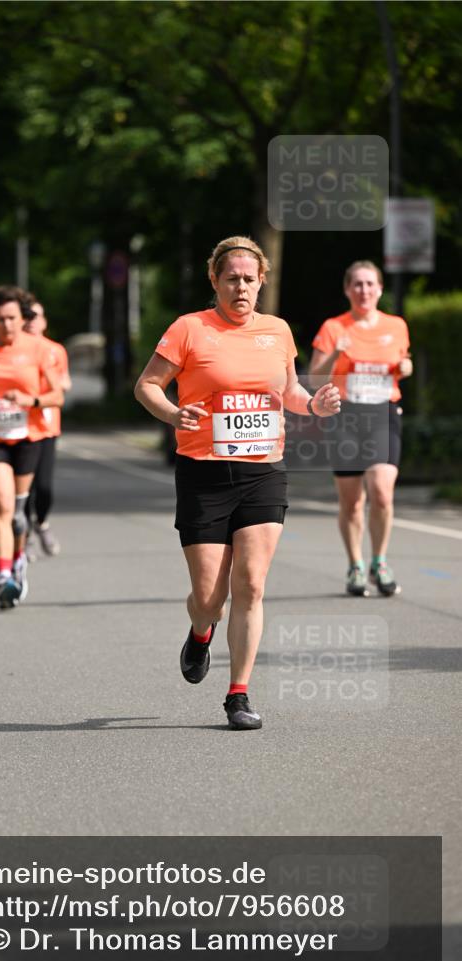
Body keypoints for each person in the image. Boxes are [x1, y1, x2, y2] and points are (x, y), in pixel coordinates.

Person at [134, 237, 340, 730]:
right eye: (231, 278)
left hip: (263, 472)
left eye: (249, 279)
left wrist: (313, 404)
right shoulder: (190, 329)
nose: (241, 287)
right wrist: (172, 412)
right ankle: (201, 631)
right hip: (204, 472)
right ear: (215, 281)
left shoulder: (277, 331)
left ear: (261, 281)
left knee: (251, 584)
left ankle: (238, 695)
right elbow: (147, 385)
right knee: (210, 596)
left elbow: (289, 389)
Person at [309, 261, 412, 597]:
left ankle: (379, 561)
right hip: (346, 416)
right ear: (347, 289)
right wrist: (335, 353)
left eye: (370, 284)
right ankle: (355, 564)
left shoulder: (396, 325)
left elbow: (403, 360)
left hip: (383, 413)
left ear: (380, 289)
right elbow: (314, 378)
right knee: (352, 502)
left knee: (382, 490)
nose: (364, 290)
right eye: (357, 284)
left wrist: (405, 366)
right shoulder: (333, 327)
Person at [0, 286, 63, 608]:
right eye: (0, 319)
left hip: (28, 436)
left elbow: (56, 396)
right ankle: (3, 577)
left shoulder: (37, 349)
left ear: (22, 319)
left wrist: (29, 400)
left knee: (17, 514)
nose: (6, 325)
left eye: (12, 318)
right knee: (2, 504)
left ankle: (18, 559)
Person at [21, 297, 72, 561]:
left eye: (35, 316)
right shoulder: (14, 351)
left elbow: (65, 381)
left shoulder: (55, 350)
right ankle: (26, 534)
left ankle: (41, 522)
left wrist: (56, 386)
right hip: (20, 427)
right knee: (24, 487)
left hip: (48, 425)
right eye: (26, 316)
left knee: (44, 487)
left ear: (43, 322)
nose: (30, 321)